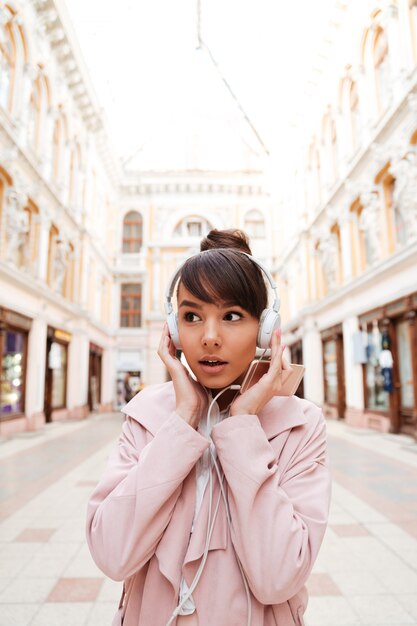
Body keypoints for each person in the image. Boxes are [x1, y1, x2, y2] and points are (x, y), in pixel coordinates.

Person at [86, 229, 331, 626]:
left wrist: (243, 425)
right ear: (173, 330)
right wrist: (182, 418)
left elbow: (277, 578)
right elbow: (113, 556)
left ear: (266, 330)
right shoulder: (147, 414)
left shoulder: (300, 425)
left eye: (232, 316)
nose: (210, 338)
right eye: (192, 317)